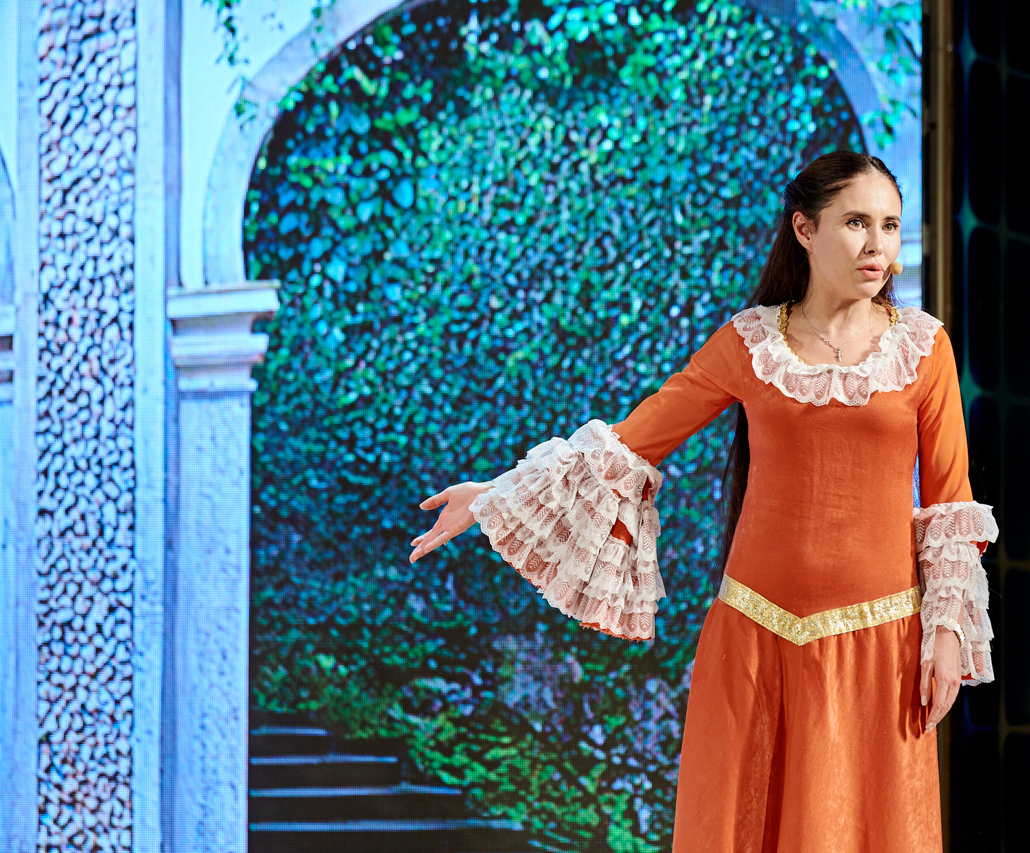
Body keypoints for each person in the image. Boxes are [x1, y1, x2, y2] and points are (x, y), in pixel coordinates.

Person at [409, 150, 997, 852]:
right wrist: (495, 494)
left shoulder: (924, 349)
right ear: (805, 229)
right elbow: (635, 439)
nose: (877, 244)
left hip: (880, 653)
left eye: (890, 225)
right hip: (755, 640)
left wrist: (946, 635)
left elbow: (950, 505)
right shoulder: (751, 343)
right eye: (856, 223)